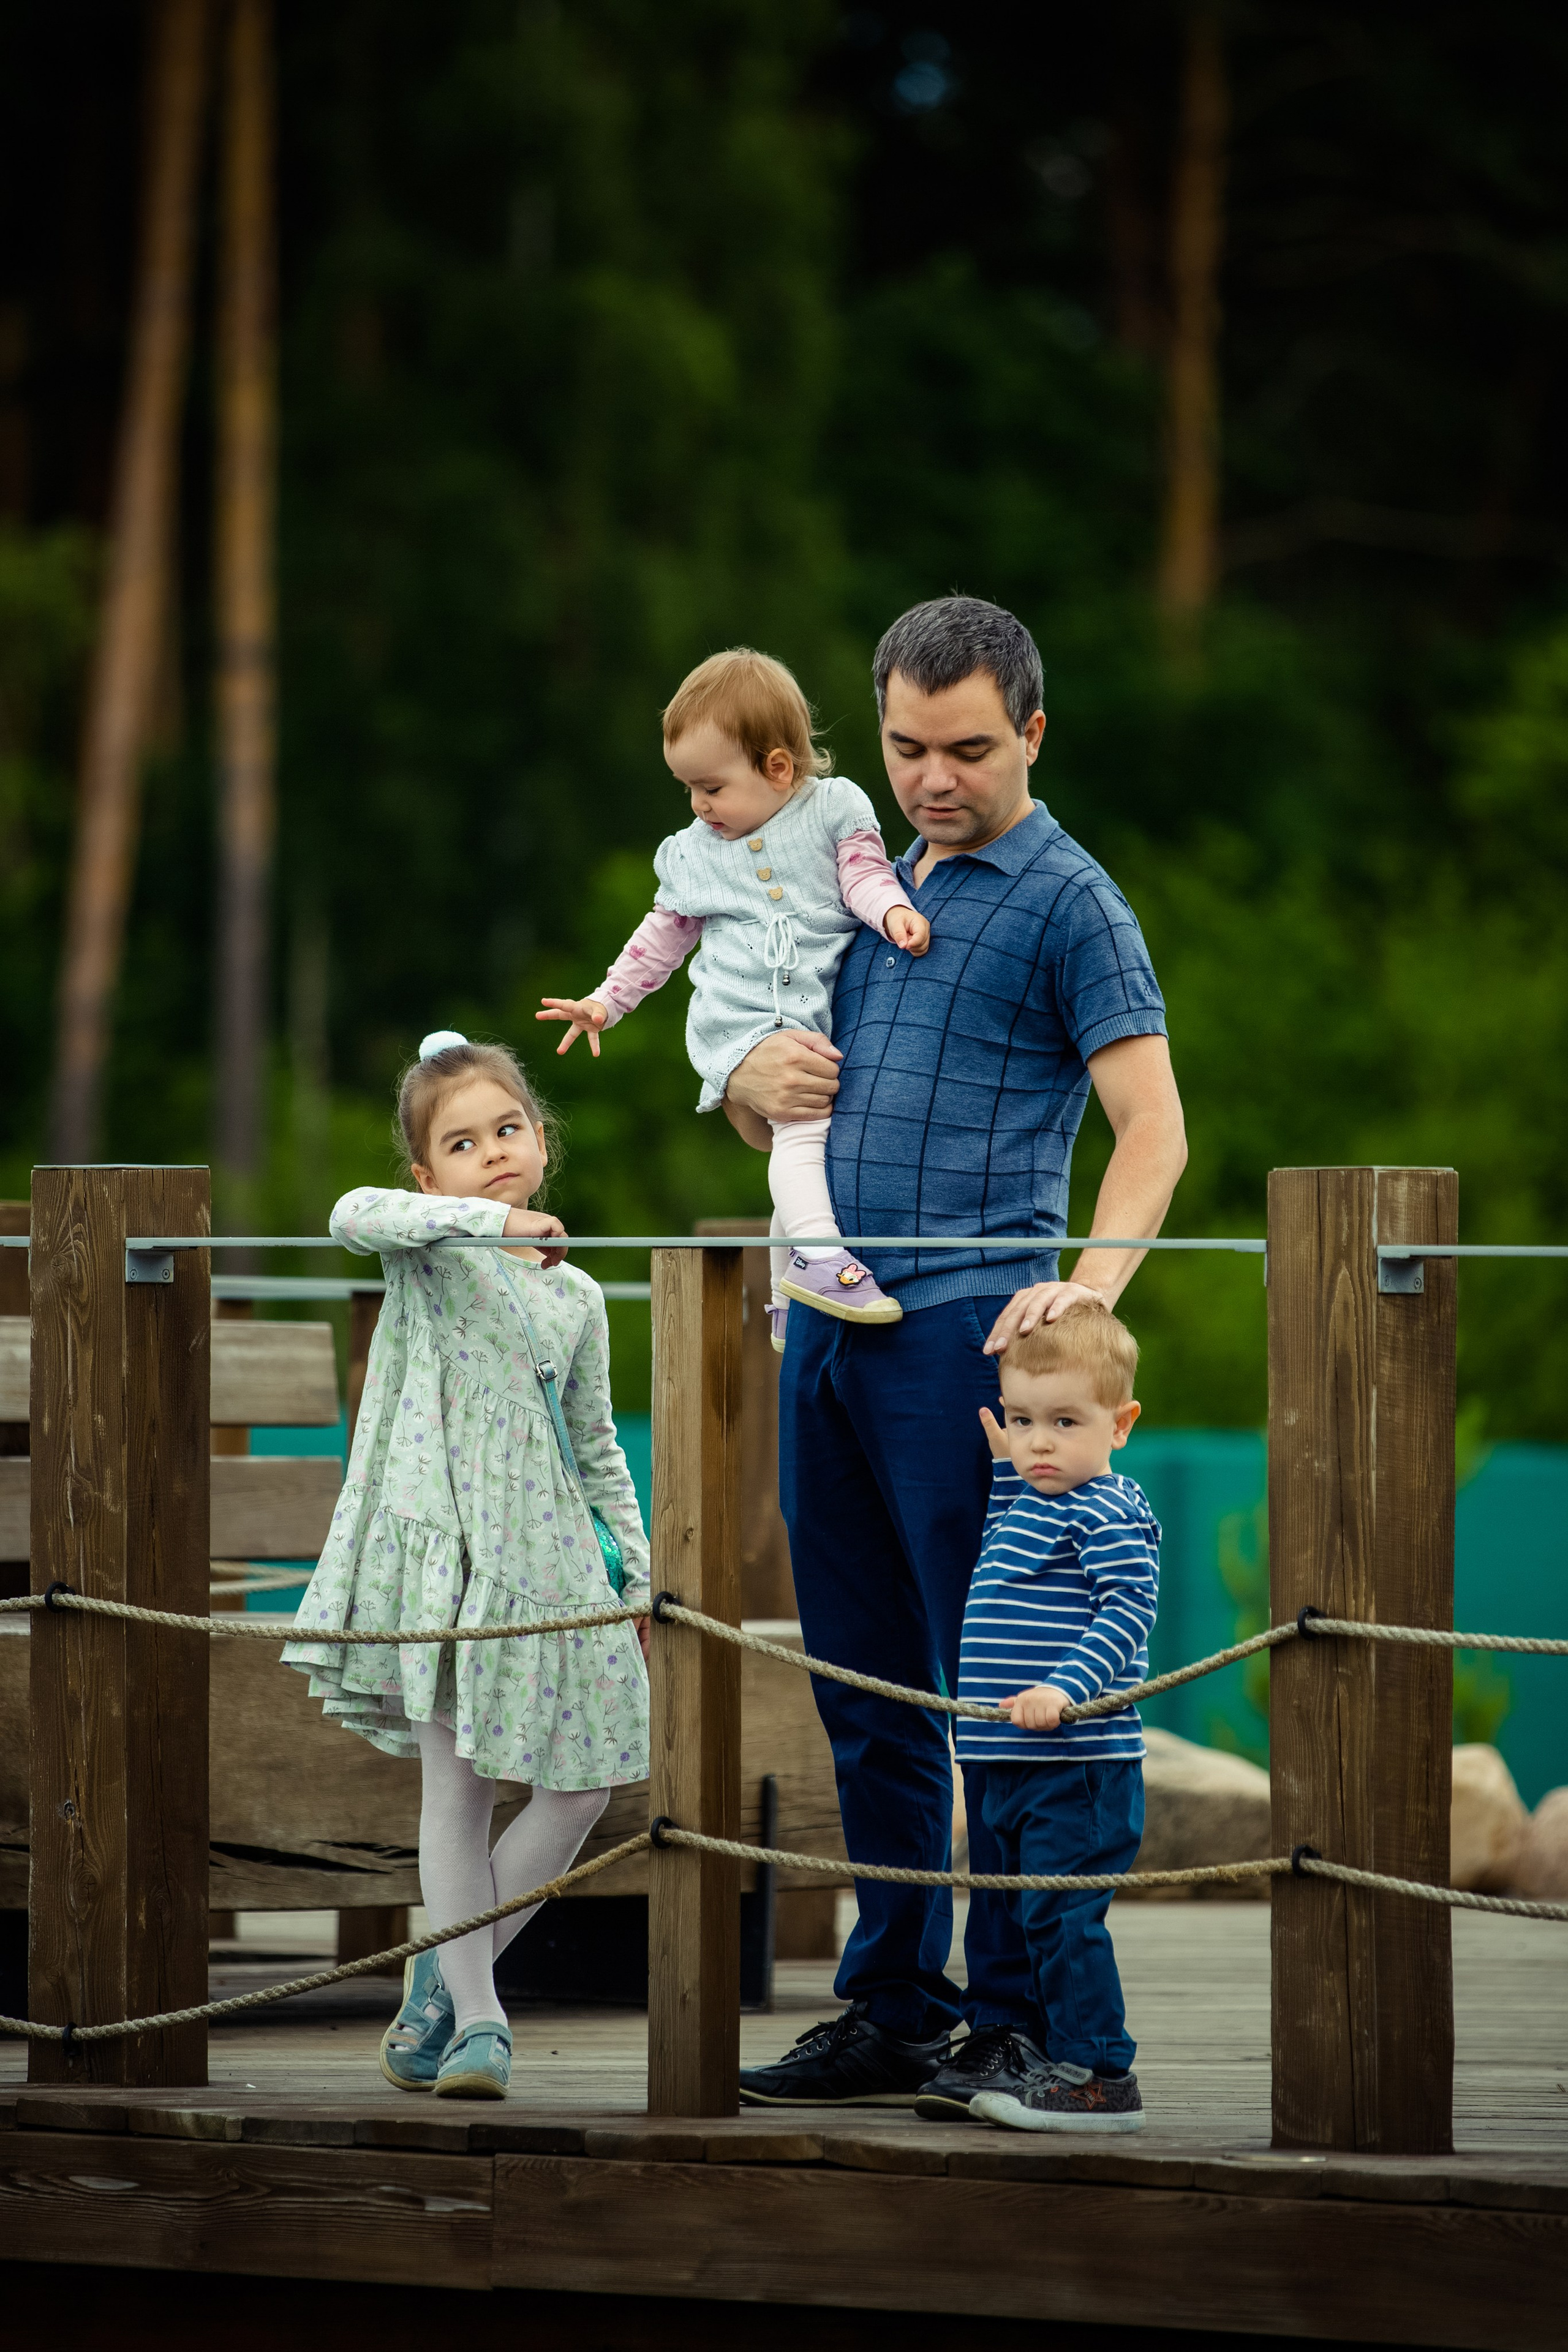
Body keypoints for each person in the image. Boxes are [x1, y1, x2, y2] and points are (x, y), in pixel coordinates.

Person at [731, 596, 1186, 2114]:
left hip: (965, 1342)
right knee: (860, 1689)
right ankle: (893, 2004)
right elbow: (773, 1092)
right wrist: (748, 1080)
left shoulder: (1073, 901)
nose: (934, 777)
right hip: (821, 1327)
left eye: (969, 749)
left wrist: (1081, 1291)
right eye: (907, 746)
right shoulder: (852, 884)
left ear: (1032, 732)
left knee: (980, 1685)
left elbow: (1154, 1133)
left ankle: (1006, 2018)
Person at [283, 1031, 651, 2101]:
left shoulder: (574, 1297)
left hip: (550, 1571)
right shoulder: (430, 1251)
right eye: (462, 1142)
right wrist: (492, 1224)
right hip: (444, 1559)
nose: (493, 1152)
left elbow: (596, 1450)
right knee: (461, 1783)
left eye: (509, 1129)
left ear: (541, 1138)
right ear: (428, 1173)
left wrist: (628, 1573)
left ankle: (443, 1973)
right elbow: (354, 1214)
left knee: (585, 1785)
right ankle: (483, 2019)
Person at [537, 647, 930, 1343]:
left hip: (809, 1011)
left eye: (711, 787)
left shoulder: (832, 810)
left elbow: (864, 874)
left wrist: (892, 911)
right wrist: (606, 1002)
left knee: (807, 1141)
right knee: (803, 1124)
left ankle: (789, 1296)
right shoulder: (694, 852)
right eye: (687, 788)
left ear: (777, 768)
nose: (697, 805)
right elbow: (661, 935)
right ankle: (822, 1258)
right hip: (739, 1017)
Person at [959, 1302, 1156, 2136]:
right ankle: (1041, 2051)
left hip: (1075, 1763)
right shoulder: (1033, 1499)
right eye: (1022, 1420)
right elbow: (1015, 1523)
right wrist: (1007, 1465)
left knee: (1062, 1915)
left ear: (1121, 1425)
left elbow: (1127, 1612)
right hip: (1009, 1760)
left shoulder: (1106, 1510)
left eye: (1064, 1422)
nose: (1039, 1442)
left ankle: (1098, 2071)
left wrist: (1066, 1689)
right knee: (1016, 1912)